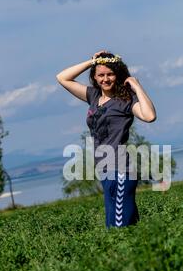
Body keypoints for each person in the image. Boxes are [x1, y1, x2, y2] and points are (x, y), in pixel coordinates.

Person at [56, 50, 157, 228]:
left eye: (110, 74)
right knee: (127, 226)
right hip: (105, 171)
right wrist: (91, 61)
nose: (105, 79)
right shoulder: (94, 96)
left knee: (117, 230)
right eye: (100, 75)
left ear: (117, 75)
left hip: (120, 171)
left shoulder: (125, 100)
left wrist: (137, 86)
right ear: (94, 77)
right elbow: (62, 78)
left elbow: (149, 116)